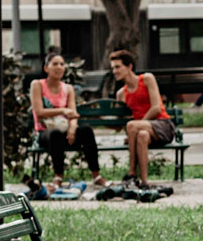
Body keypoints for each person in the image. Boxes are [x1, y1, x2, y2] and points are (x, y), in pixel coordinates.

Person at [30, 51, 106, 188]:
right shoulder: (37, 85)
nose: (59, 67)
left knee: (86, 130)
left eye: (61, 64)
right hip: (45, 133)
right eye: (55, 64)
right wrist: (62, 110)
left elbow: (73, 114)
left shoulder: (68, 88)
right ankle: (58, 177)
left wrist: (72, 129)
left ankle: (97, 175)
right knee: (55, 135)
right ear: (46, 68)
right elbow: (39, 112)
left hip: (66, 131)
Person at [107, 50, 175, 188]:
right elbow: (119, 125)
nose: (114, 71)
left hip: (162, 125)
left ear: (130, 66)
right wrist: (97, 117)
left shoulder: (147, 79)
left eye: (118, 67)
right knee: (142, 136)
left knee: (133, 126)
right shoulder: (121, 94)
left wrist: (137, 125)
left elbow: (156, 108)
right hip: (144, 131)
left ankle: (132, 172)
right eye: (113, 68)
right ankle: (144, 183)